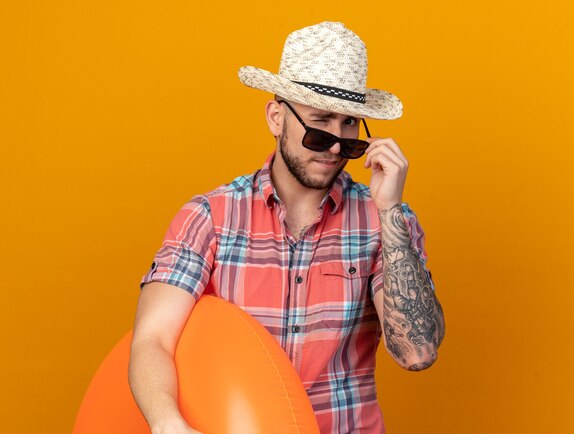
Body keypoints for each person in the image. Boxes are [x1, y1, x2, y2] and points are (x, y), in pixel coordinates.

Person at [129, 21, 445, 434]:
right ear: (277, 117)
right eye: (320, 123)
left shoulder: (385, 223)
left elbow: (417, 354)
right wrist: (168, 423)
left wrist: (389, 213)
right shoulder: (209, 218)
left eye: (350, 127)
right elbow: (152, 340)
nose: (335, 146)